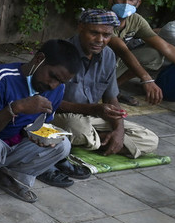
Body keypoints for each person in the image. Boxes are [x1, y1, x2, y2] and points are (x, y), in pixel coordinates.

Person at [0, 40, 83, 208]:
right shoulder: (2, 77)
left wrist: (38, 136)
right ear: (39, 59)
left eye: (60, 82)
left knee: (62, 146)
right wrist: (17, 107)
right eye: (52, 76)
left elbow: (40, 124)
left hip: (9, 145)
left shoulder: (57, 90)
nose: (53, 85)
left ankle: (2, 173)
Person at [53, 9, 159, 158]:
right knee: (75, 128)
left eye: (106, 35)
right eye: (94, 33)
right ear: (80, 27)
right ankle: (102, 142)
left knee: (149, 139)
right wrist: (94, 109)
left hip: (93, 117)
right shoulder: (60, 52)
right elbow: (47, 101)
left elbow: (111, 98)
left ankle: (98, 141)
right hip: (62, 115)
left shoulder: (108, 55)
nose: (100, 40)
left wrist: (119, 131)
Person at [107, 0, 175, 106]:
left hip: (115, 64)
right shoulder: (103, 18)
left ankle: (113, 89)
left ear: (138, 3)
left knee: (154, 54)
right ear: (111, 0)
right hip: (94, 66)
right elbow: (122, 50)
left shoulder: (136, 20)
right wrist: (147, 79)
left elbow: (165, 47)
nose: (126, 3)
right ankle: (104, 90)